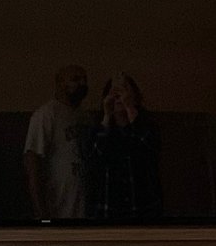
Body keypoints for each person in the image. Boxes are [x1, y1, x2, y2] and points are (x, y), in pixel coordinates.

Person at [89, 73, 161, 221]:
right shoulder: (99, 127)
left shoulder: (148, 126)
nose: (118, 94)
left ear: (134, 95)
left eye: (124, 89)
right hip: (108, 211)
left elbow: (147, 150)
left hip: (143, 210)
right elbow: (97, 156)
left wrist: (130, 108)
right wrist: (107, 116)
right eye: (114, 90)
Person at [23, 63, 90, 221]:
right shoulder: (46, 115)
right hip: (58, 205)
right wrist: (42, 213)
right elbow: (32, 161)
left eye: (84, 79)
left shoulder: (85, 117)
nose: (82, 83)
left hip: (83, 206)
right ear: (60, 82)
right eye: (75, 79)